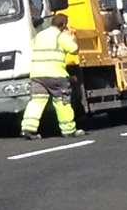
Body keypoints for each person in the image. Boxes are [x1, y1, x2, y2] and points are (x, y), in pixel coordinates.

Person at [22, 10, 84, 140]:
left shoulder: (39, 35)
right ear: (63, 25)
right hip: (56, 75)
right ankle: (68, 130)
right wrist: (71, 36)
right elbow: (74, 50)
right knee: (62, 102)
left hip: (37, 75)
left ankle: (28, 128)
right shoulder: (60, 36)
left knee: (37, 101)